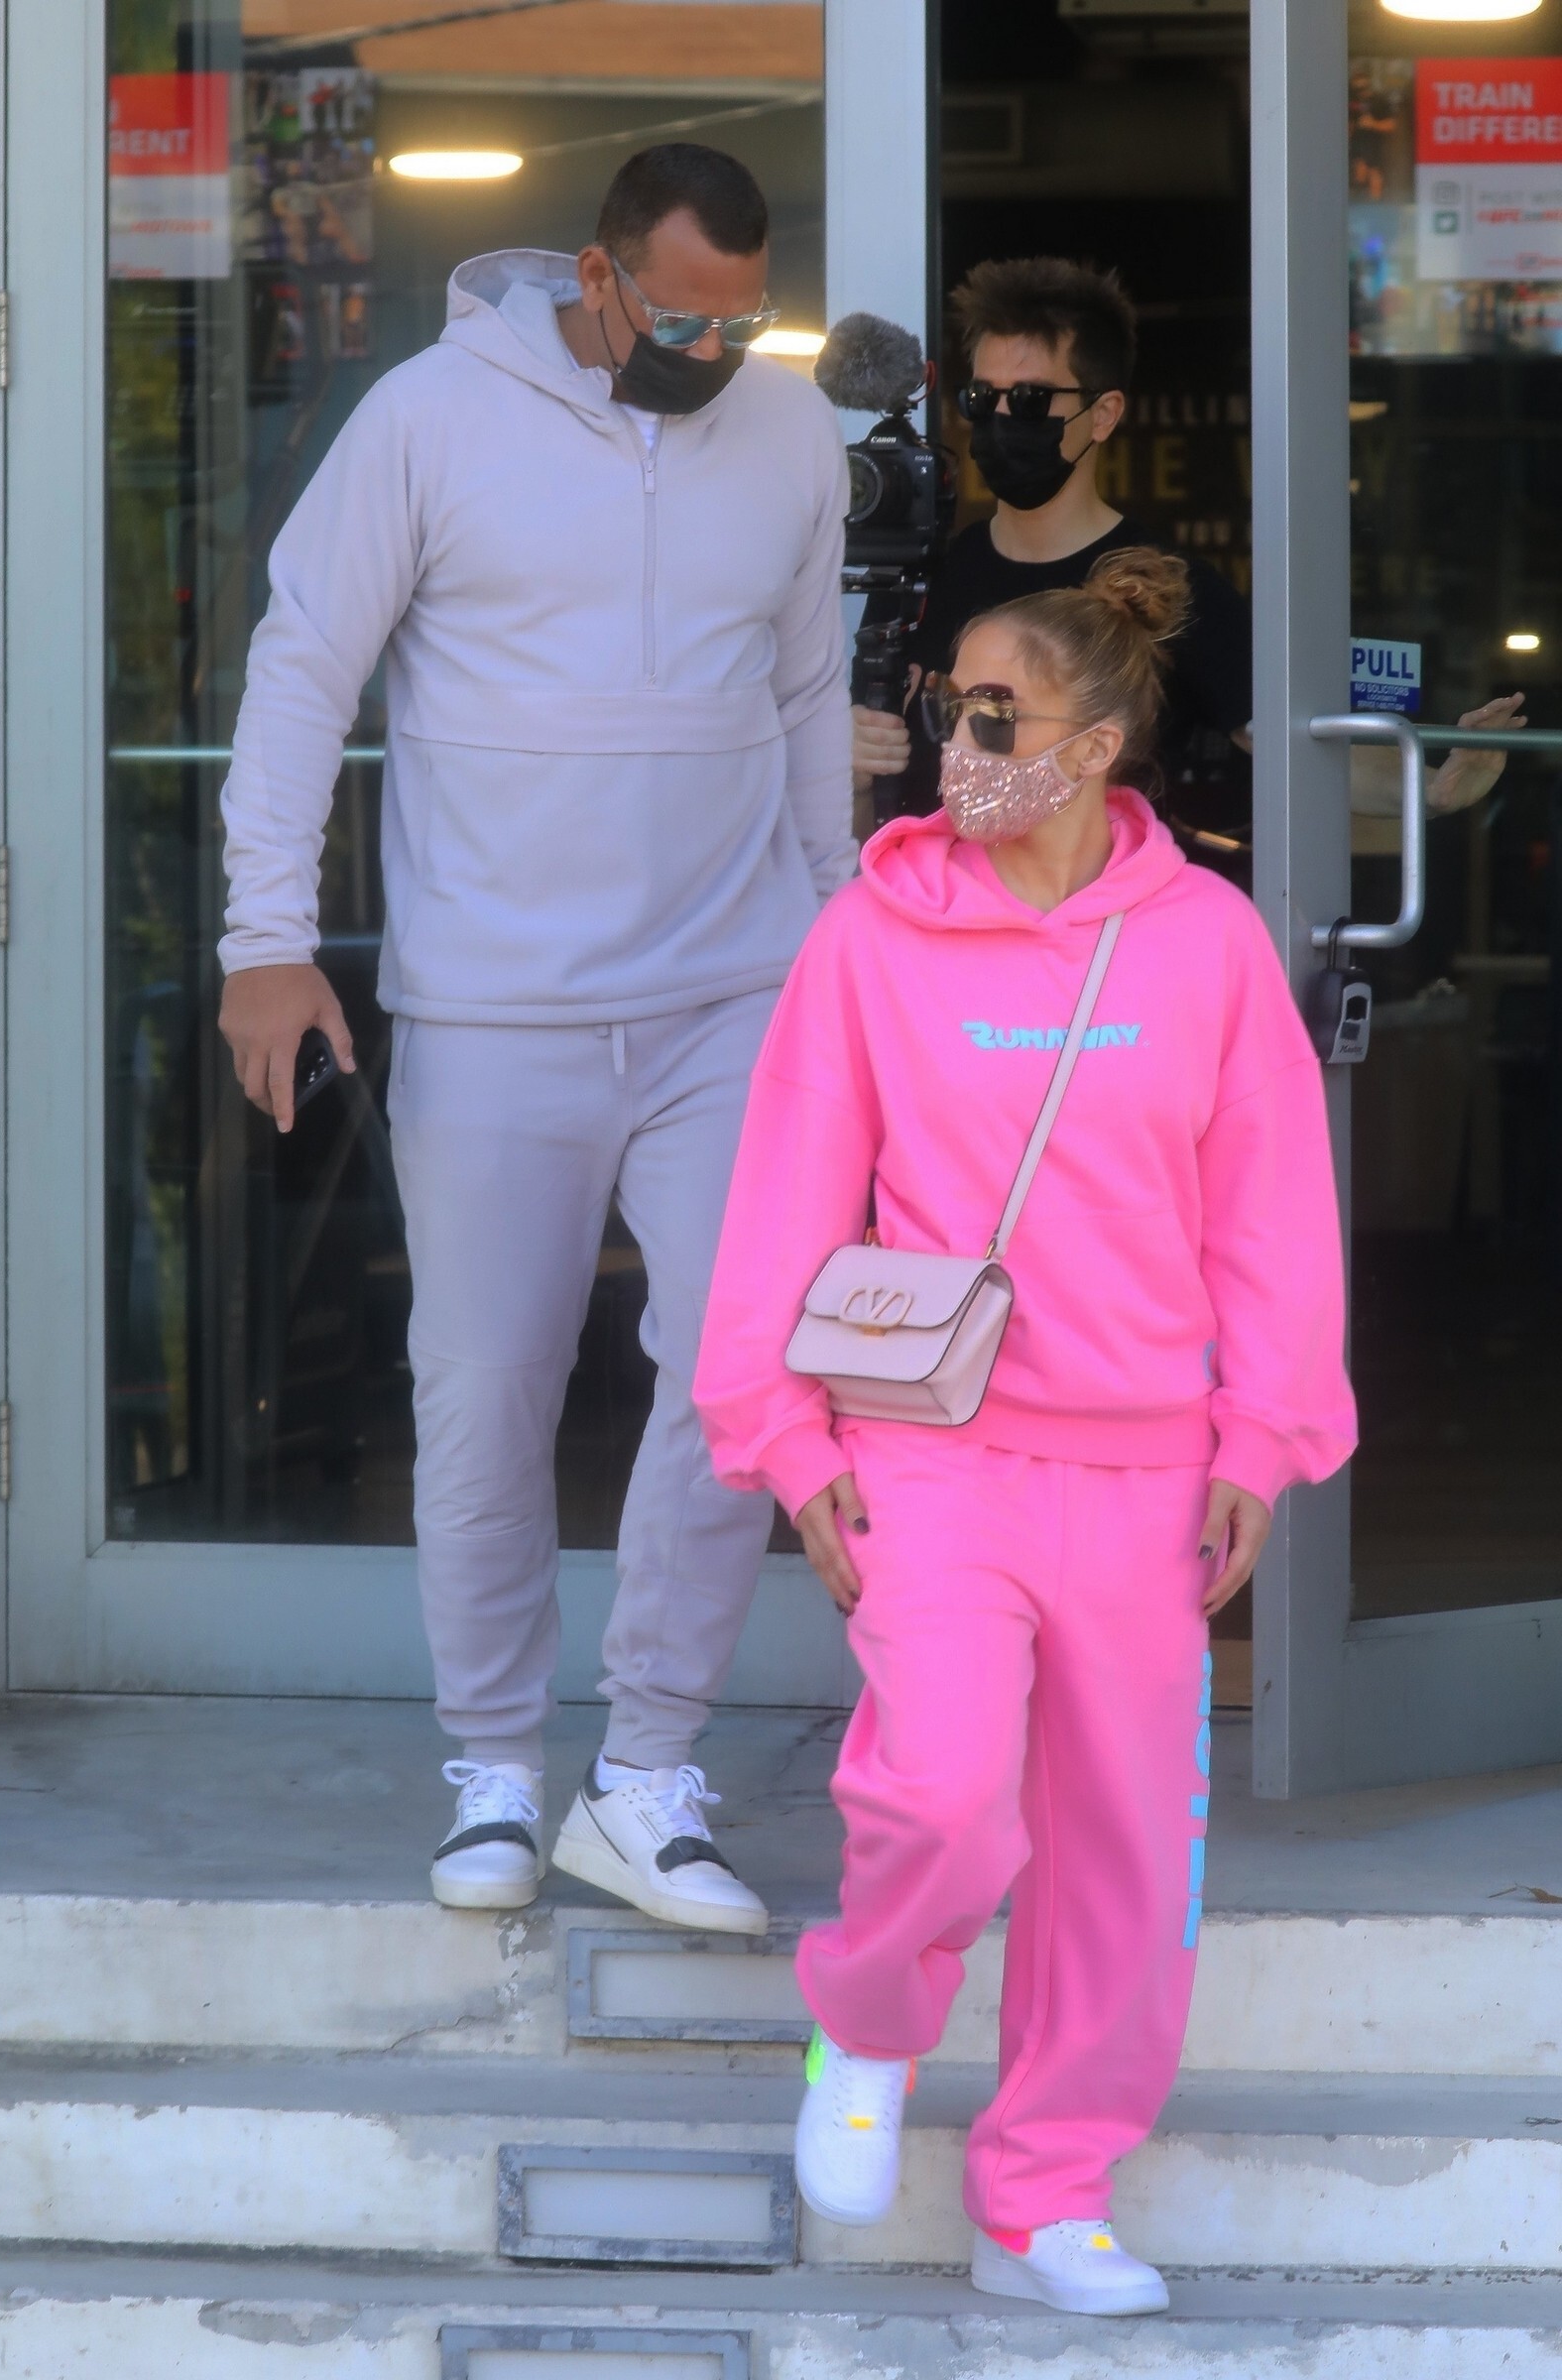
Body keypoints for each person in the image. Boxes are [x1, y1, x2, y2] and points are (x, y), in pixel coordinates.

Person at [694, 549, 1356, 2312]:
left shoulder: (1207, 944)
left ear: (1102, 745)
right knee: (938, 1793)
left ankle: (1045, 2201)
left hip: (1148, 1467)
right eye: (951, 708)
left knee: (1123, 1859)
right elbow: (785, 1198)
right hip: (934, 1452)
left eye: (1000, 715)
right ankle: (867, 2028)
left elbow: (1273, 1215)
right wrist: (786, 1443)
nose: (961, 745)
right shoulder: (869, 937)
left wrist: (1260, 1441)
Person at [217, 145, 855, 1933]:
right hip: (494, 1000)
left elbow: (808, 693)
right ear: (596, 274)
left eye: (745, 323)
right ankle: (494, 1767)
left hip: (737, 990)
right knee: (486, 1386)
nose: (716, 354)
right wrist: (267, 943)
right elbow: (302, 669)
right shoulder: (428, 419)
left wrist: (839, 946)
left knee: (736, 1381)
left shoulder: (791, 432)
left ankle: (646, 1775)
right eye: (684, 319)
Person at [855, 254, 1524, 852]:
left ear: (1104, 414)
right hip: (933, 916)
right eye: (982, 397)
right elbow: (865, 775)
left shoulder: (1166, 586)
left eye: (1030, 399)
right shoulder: (923, 576)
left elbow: (1289, 744)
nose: (1001, 420)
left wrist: (1431, 789)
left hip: (1109, 926)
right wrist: (850, 764)